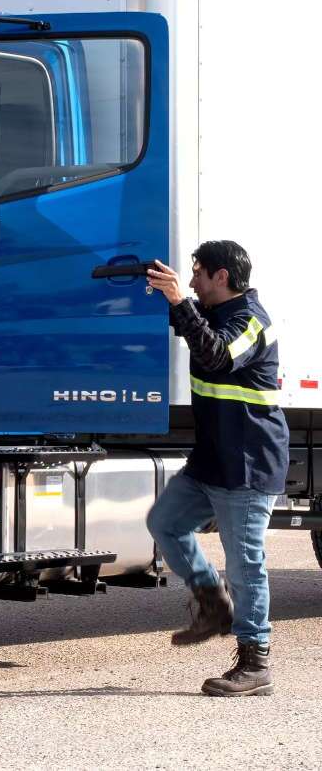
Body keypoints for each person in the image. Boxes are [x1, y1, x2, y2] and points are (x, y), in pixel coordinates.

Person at [145, 240, 288, 697]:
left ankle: (255, 663)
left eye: (198, 274)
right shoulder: (211, 315)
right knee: (165, 523)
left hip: (248, 465)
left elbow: (218, 357)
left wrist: (177, 301)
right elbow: (186, 321)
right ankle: (212, 601)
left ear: (221, 277)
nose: (191, 283)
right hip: (211, 462)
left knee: (246, 564)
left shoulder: (252, 322)